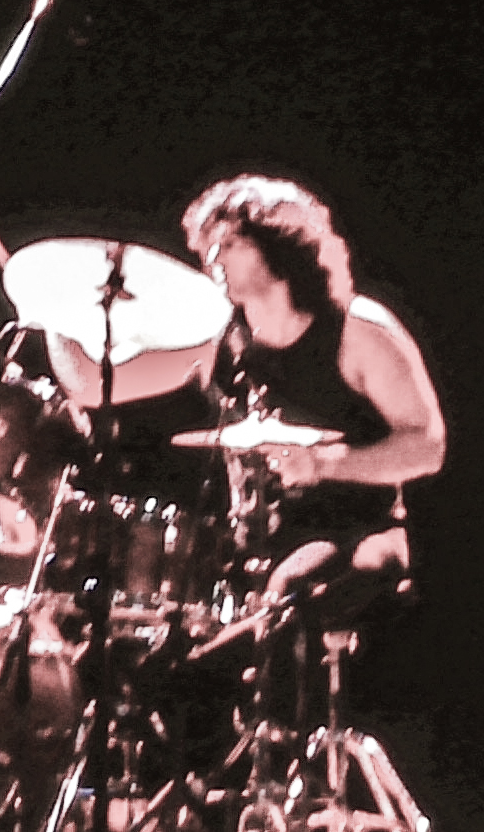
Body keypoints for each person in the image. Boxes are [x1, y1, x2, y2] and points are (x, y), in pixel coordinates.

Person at [177, 175, 446, 628]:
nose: (213, 258)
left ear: (280, 245)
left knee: (289, 591)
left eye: (231, 243)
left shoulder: (358, 330)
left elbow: (428, 447)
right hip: (258, 544)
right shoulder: (224, 339)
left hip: (358, 536)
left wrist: (322, 464)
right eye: (209, 247)